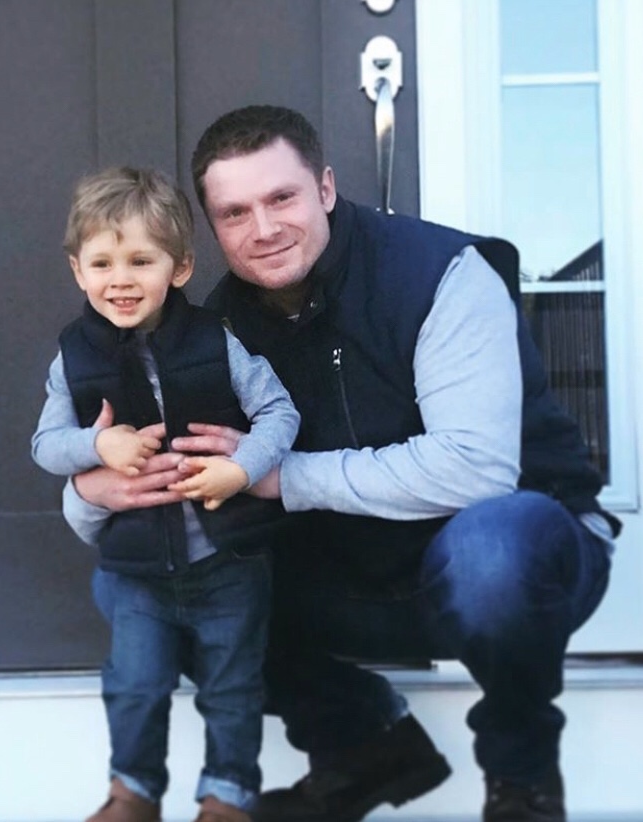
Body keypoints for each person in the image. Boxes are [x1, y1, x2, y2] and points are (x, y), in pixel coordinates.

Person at [61, 109, 620, 822]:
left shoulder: (442, 274)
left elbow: (474, 470)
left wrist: (279, 475)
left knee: (491, 547)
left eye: (281, 198)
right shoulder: (211, 332)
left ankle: (521, 775)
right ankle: (365, 746)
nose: (262, 228)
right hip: (350, 571)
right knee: (154, 587)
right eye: (235, 213)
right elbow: (163, 476)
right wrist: (92, 492)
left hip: (510, 563)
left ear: (324, 188)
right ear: (208, 231)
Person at [32, 166, 300, 822]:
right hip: (138, 573)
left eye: (140, 260)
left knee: (232, 687)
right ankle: (132, 795)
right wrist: (98, 447)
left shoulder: (216, 340)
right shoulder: (73, 356)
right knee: (133, 685)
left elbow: (279, 413)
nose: (119, 279)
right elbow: (45, 446)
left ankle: (226, 796)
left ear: (178, 269)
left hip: (226, 562)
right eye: (101, 262)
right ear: (78, 271)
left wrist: (242, 470)